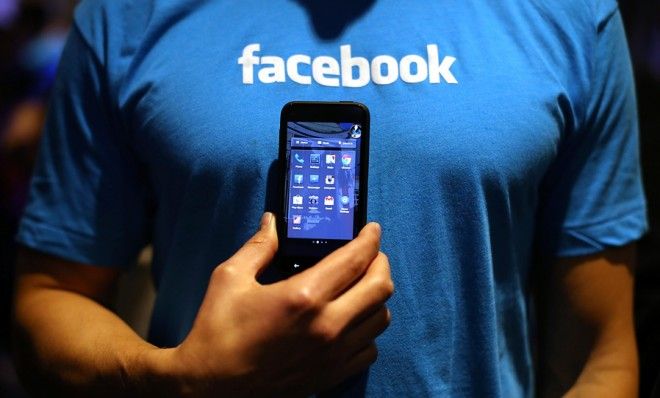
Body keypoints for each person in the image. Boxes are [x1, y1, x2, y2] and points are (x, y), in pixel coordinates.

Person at [11, 0, 647, 396]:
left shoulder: (571, 12)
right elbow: (47, 301)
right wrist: (181, 382)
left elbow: (601, 356)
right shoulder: (126, 12)